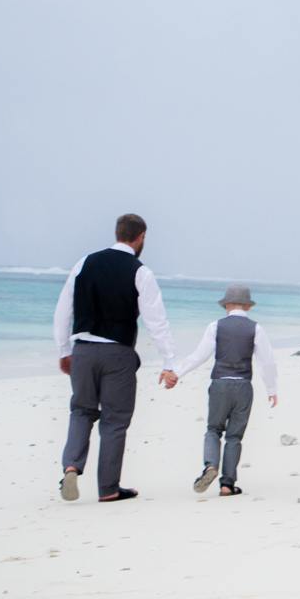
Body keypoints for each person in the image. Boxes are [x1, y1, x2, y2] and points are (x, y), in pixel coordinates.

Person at [53, 213, 178, 503]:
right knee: (115, 421)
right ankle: (108, 488)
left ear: (117, 232)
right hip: (118, 353)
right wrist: (168, 361)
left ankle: (72, 465)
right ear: (141, 237)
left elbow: (63, 311)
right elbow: (156, 320)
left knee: (82, 411)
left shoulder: (84, 263)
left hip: (83, 349)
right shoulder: (140, 272)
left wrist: (64, 350)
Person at [174, 283, 278, 497]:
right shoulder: (255, 328)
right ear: (248, 307)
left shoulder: (215, 326)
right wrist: (271, 388)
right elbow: (267, 361)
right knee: (234, 436)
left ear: (226, 305)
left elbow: (199, 356)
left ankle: (210, 466)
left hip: (220, 384)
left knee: (213, 429)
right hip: (243, 386)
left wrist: (176, 373)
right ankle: (227, 484)